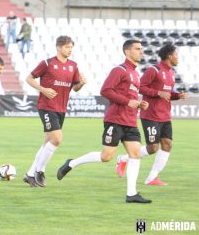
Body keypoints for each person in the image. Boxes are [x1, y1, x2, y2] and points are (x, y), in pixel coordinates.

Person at [56, 40, 152, 204]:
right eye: (137, 49)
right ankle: (72, 163)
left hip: (130, 121)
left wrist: (139, 104)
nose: (141, 51)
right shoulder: (119, 70)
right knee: (106, 156)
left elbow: (130, 96)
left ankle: (132, 194)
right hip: (115, 120)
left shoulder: (136, 74)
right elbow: (105, 90)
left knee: (135, 155)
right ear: (127, 52)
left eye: (141, 49)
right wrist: (127, 102)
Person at [116, 44, 188, 185]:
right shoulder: (153, 70)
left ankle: (152, 177)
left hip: (165, 115)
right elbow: (141, 87)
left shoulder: (171, 73)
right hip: (151, 115)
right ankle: (123, 159)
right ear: (169, 56)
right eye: (177, 55)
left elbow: (165, 93)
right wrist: (158, 93)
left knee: (167, 144)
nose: (178, 58)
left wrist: (177, 95)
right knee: (153, 148)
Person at [22, 36, 86, 187]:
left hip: (61, 108)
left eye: (71, 47)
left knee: (47, 142)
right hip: (46, 106)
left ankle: (30, 174)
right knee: (57, 139)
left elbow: (75, 88)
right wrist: (43, 90)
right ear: (58, 48)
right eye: (67, 47)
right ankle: (40, 170)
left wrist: (81, 84)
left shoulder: (73, 66)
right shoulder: (47, 63)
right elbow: (29, 78)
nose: (69, 50)